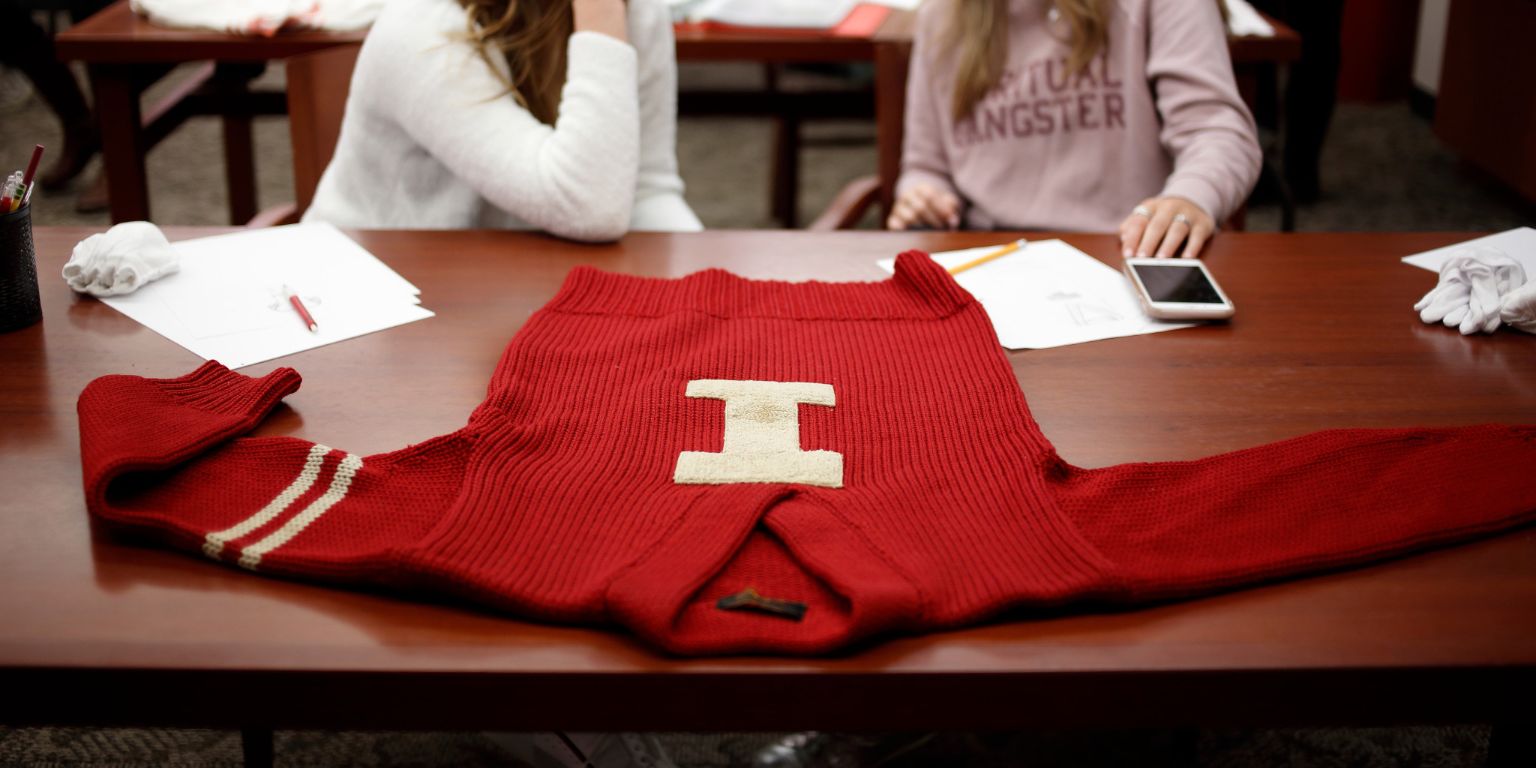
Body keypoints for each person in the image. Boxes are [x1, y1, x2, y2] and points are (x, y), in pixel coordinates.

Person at [887, 0, 1261, 260]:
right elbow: (926, 167)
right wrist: (924, 196)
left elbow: (1216, 130)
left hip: (1130, 248)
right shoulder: (942, 16)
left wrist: (1191, 197)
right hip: (987, 260)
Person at [304, 0, 701, 239]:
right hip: (365, 297)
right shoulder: (419, 27)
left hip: (515, 279)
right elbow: (587, 207)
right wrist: (599, 13)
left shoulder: (635, 9)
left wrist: (728, 291)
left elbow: (646, 189)